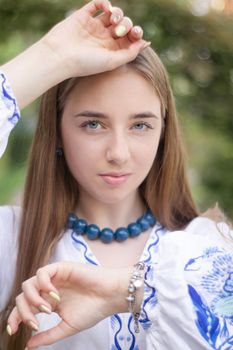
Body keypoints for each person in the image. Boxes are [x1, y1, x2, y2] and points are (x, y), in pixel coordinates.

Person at [0, 0, 232, 349]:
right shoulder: (10, 242)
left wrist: (134, 290)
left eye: (140, 125)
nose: (118, 153)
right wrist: (52, 57)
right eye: (93, 124)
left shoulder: (209, 247)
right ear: (58, 132)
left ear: (163, 133)